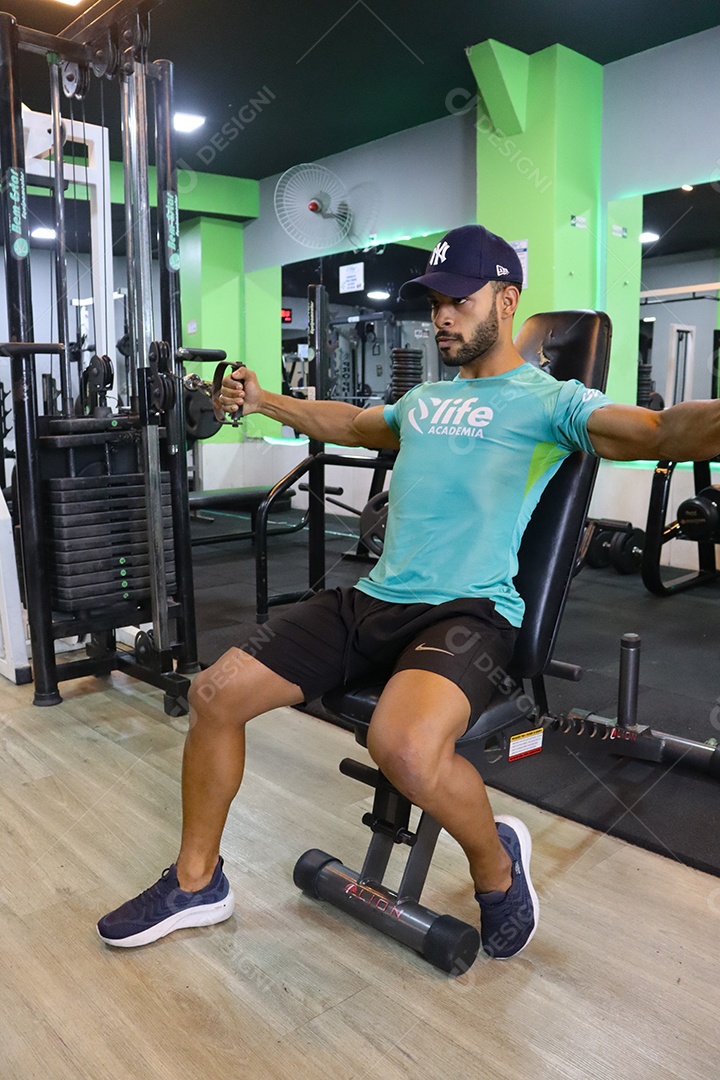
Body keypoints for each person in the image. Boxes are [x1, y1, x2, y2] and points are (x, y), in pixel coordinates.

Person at [98, 223, 719, 960]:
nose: (443, 315)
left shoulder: (551, 402)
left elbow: (658, 430)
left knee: (405, 748)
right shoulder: (421, 399)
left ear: (507, 298)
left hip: (467, 612)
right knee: (214, 693)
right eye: (435, 302)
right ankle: (198, 882)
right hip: (374, 598)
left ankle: (497, 868)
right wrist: (265, 402)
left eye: (459, 298)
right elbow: (352, 423)